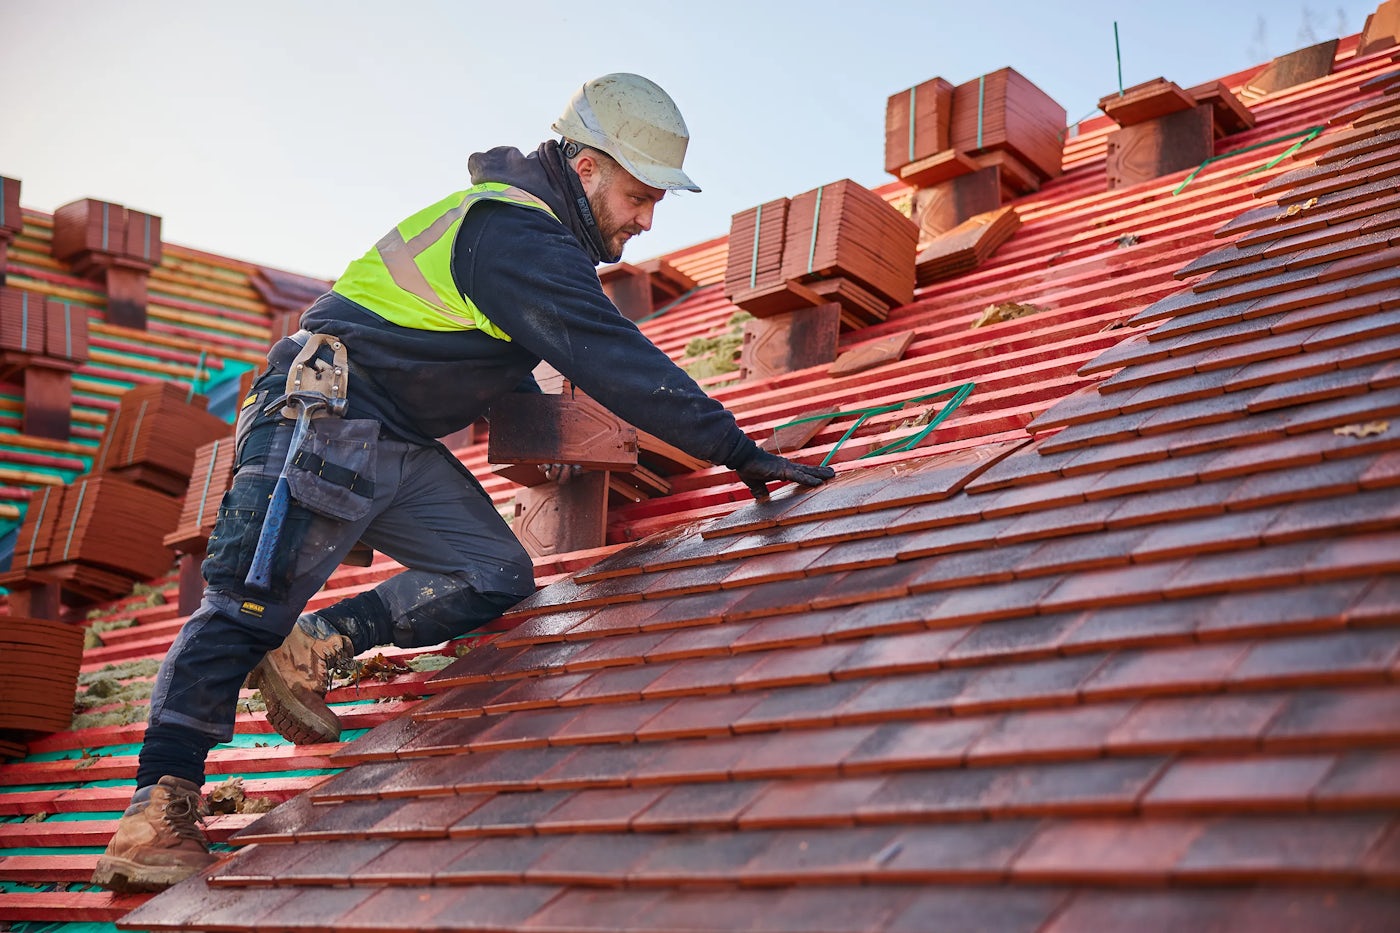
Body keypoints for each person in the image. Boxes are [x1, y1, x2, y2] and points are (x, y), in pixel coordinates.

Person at [91, 73, 834, 893]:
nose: (649, 218)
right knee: (243, 606)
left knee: (496, 570)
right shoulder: (516, 237)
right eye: (640, 194)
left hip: (394, 438)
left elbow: (478, 351)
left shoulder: (525, 236)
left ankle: (318, 647)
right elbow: (613, 356)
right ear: (586, 169)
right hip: (322, 419)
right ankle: (157, 809)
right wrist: (738, 449)